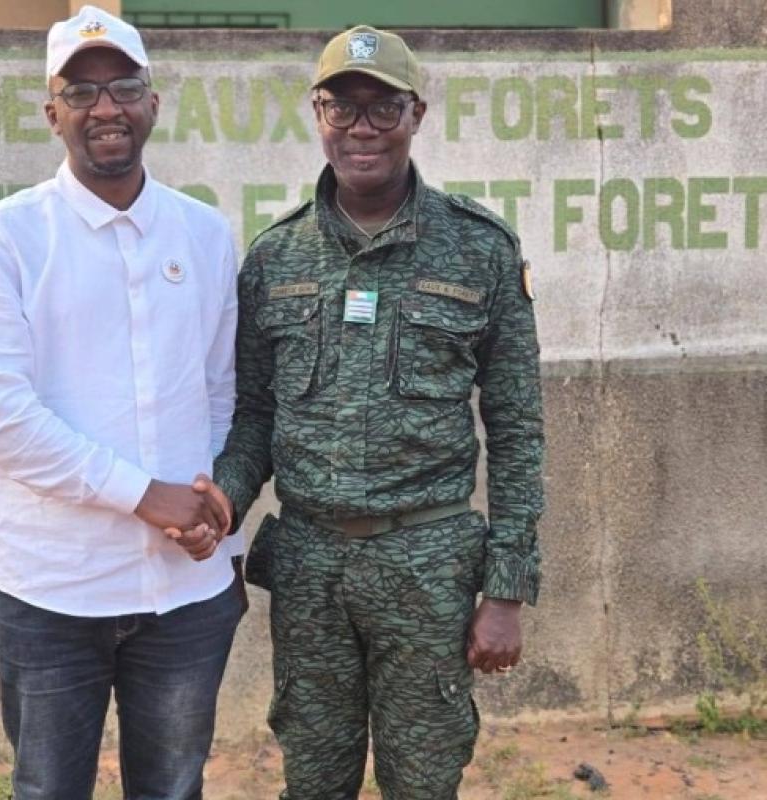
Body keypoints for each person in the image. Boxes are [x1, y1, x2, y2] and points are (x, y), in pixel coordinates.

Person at [212, 24, 545, 799]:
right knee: (314, 780)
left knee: (424, 782)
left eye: (382, 109)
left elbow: (519, 428)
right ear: (318, 114)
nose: (362, 129)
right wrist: (223, 500)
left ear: (416, 114)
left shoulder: (481, 250)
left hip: (426, 564)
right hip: (311, 568)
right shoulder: (275, 258)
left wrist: (506, 588)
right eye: (342, 107)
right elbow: (255, 414)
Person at [0, 6, 243, 798]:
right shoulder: (7, 237)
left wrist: (210, 502)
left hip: (185, 590)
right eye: (81, 92)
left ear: (153, 102)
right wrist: (142, 494)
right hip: (53, 587)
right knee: (48, 789)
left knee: (173, 787)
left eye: (123, 86)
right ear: (53, 114)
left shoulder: (206, 234)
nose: (105, 107)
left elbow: (220, 389)